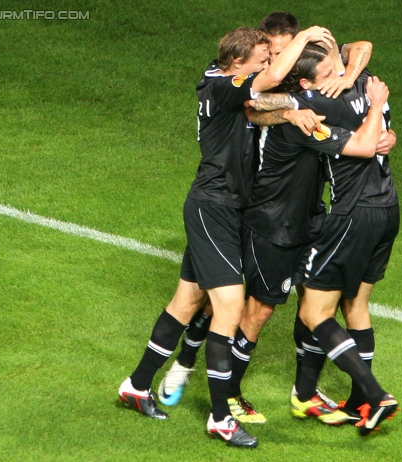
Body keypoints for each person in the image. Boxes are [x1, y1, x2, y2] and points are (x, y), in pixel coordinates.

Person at [118, 25, 334, 449]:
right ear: (238, 64)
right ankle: (220, 418)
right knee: (230, 308)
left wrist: (291, 110)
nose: (269, 65)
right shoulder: (221, 85)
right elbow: (267, 86)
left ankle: (137, 385)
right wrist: (304, 36)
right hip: (213, 207)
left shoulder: (226, 81)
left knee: (187, 301)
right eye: (262, 59)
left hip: (227, 209)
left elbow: (265, 99)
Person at [158, 12, 375, 425]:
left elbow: (360, 47)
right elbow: (257, 108)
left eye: (281, 52)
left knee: (309, 302)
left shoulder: (311, 79)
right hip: (251, 209)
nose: (275, 62)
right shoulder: (259, 88)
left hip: (304, 212)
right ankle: (189, 369)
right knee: (218, 302)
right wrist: (292, 111)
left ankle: (305, 392)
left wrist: (347, 76)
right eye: (270, 54)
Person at [260, 55, 400, 436]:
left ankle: (376, 394)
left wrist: (291, 109)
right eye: (328, 72)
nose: (336, 76)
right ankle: (358, 403)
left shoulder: (320, 101)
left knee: (313, 313)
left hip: (352, 216)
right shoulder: (367, 81)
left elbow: (255, 101)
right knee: (356, 306)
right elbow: (386, 133)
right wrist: (369, 98)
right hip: (389, 209)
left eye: (336, 69)